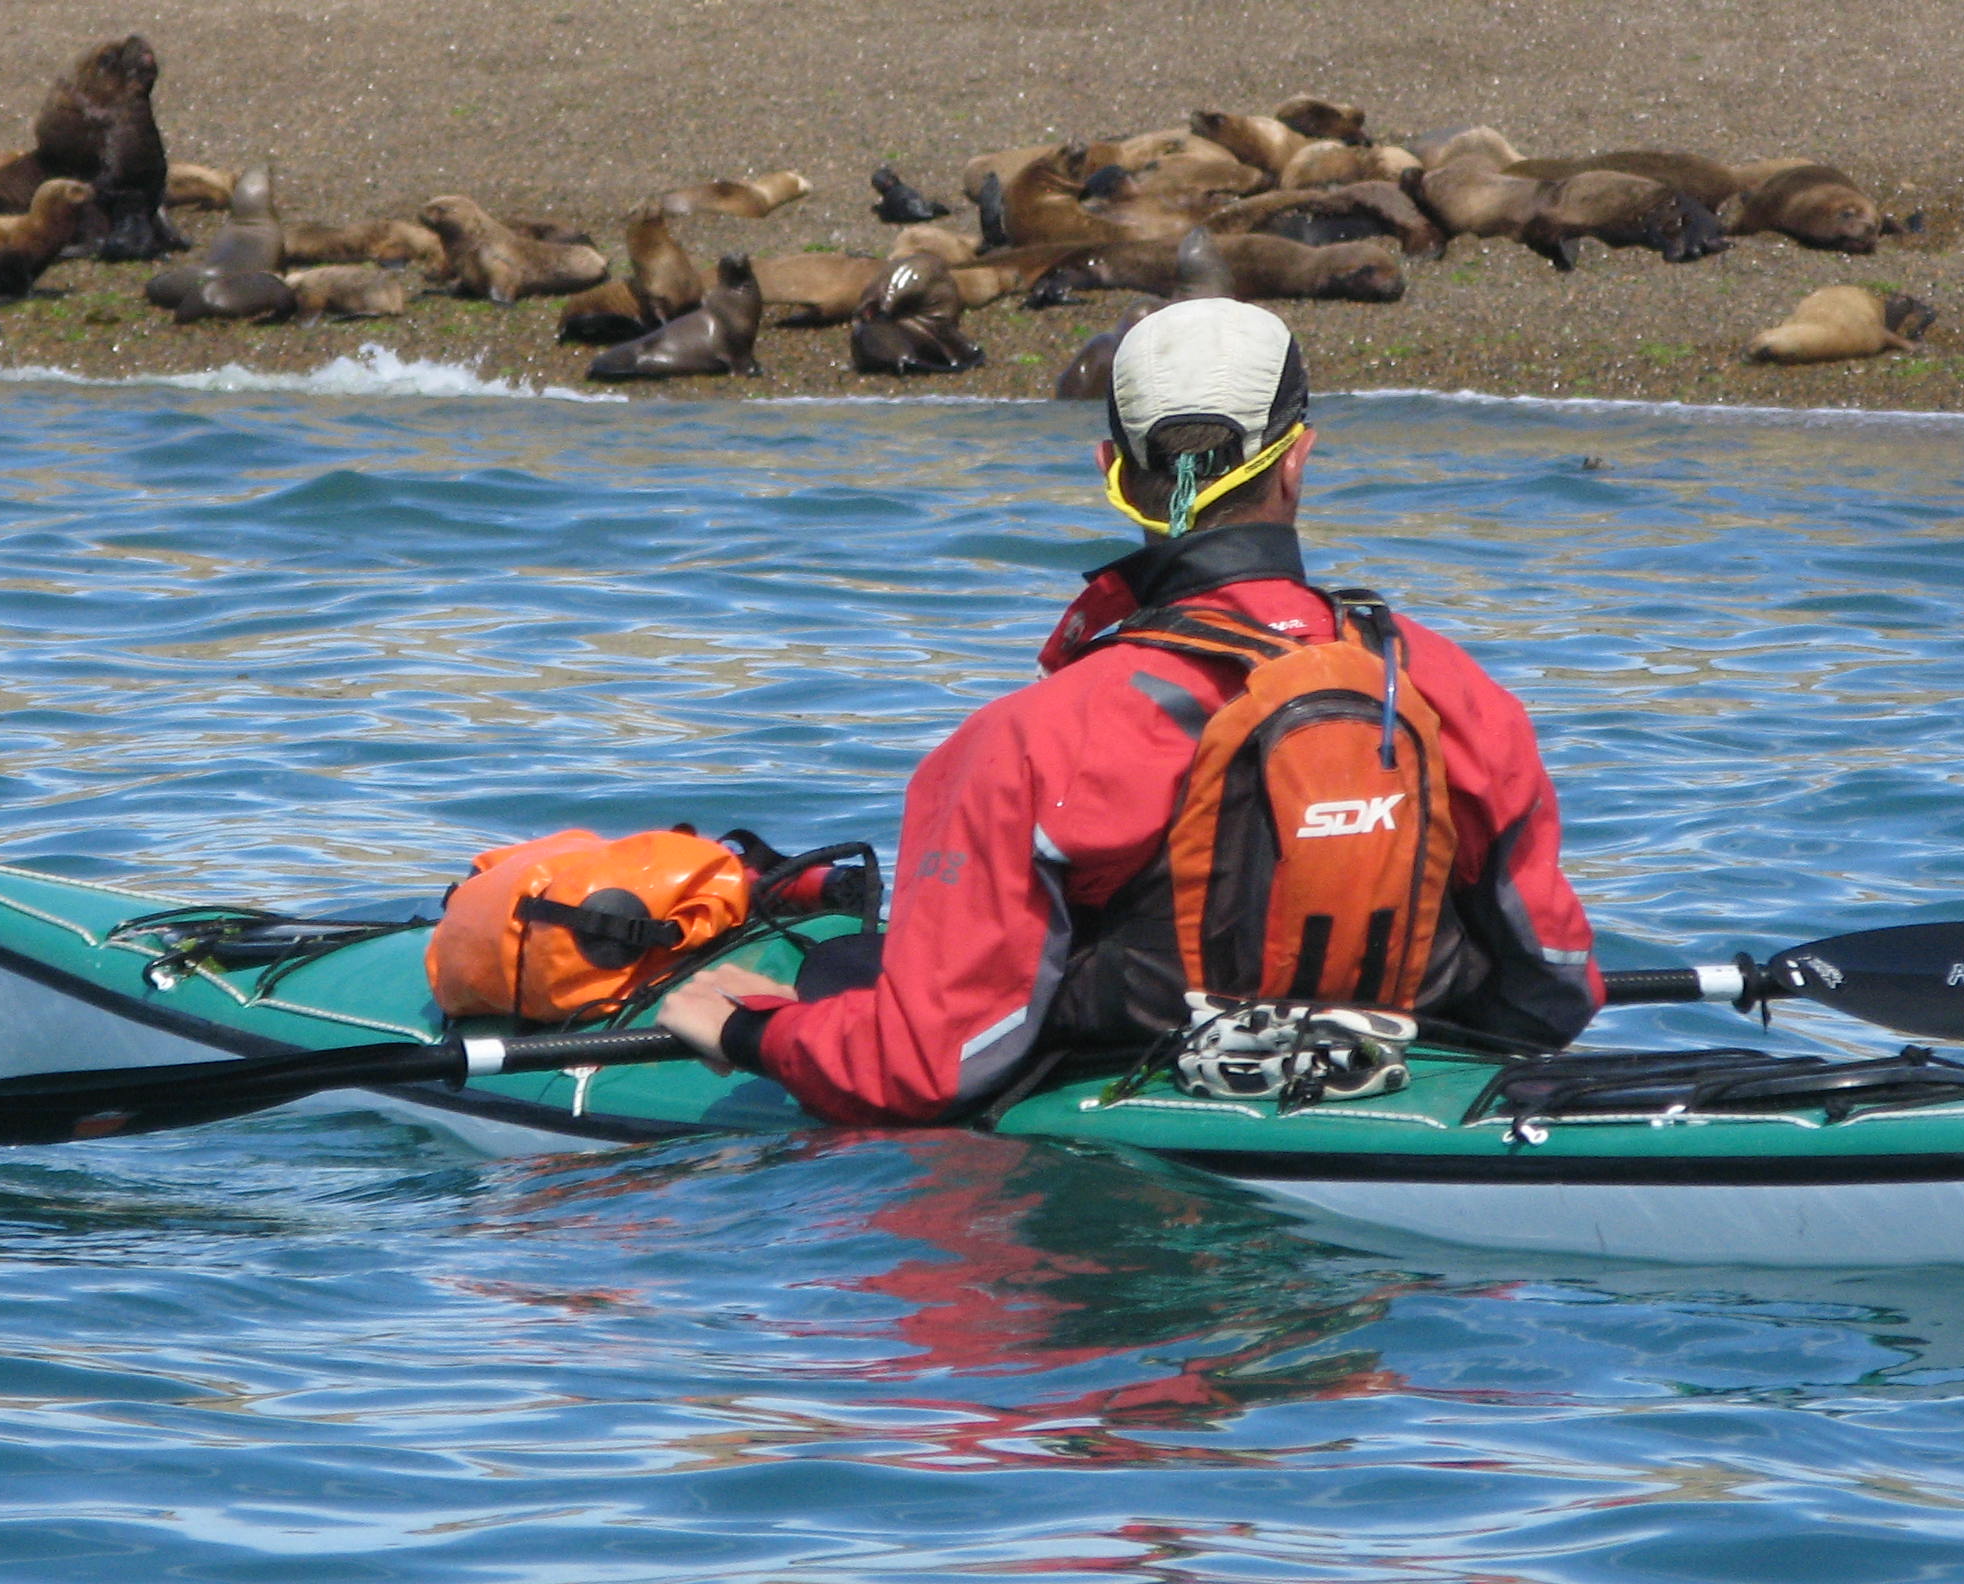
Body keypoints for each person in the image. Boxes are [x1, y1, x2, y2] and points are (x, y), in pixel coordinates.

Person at [661, 299, 1601, 1124]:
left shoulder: (1024, 743)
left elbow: (931, 1067)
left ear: (1113, 467)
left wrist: (752, 1033)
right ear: (1300, 460)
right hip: (1407, 1157)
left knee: (834, 975)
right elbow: (1555, 993)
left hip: (1110, 1197)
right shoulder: (1458, 693)